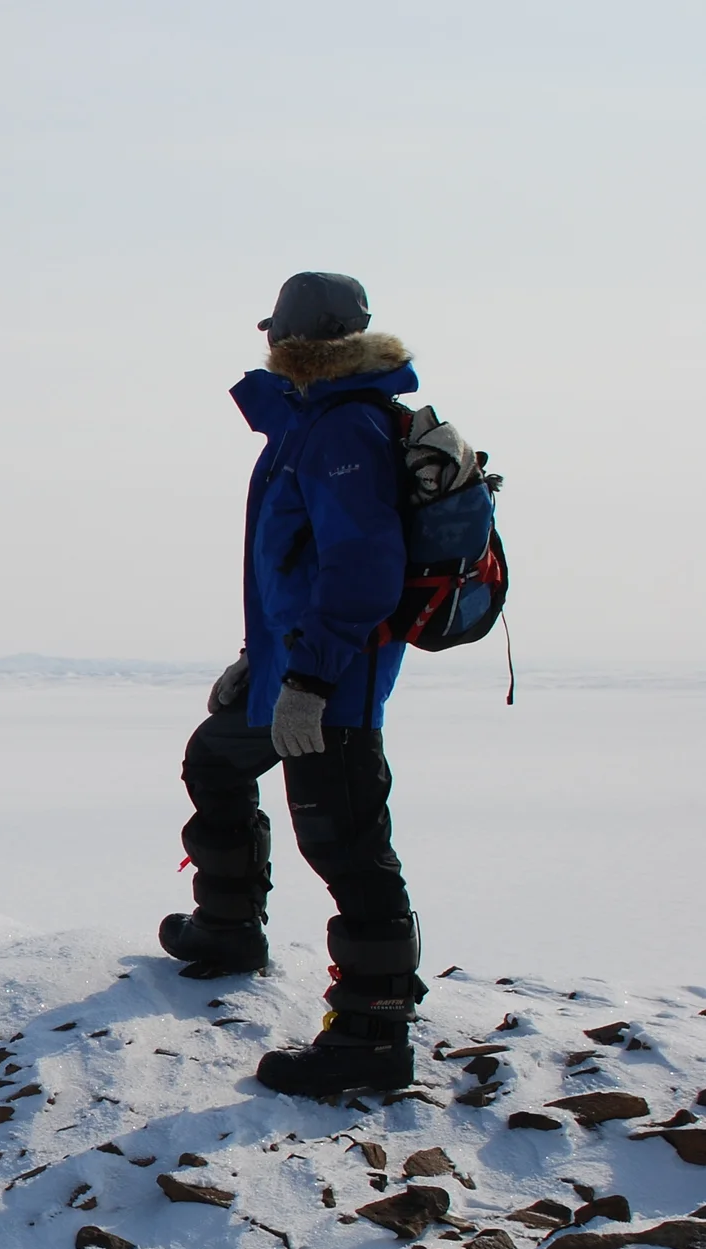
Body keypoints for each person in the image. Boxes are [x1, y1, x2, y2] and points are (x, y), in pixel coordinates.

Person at [161, 271, 425, 1097]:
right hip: (290, 667)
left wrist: (309, 676)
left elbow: (364, 569)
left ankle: (374, 1034)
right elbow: (292, 565)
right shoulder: (308, 422)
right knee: (216, 760)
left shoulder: (346, 430)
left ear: (296, 339)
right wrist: (262, 659)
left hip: (331, 683)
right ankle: (229, 927)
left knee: (345, 841)